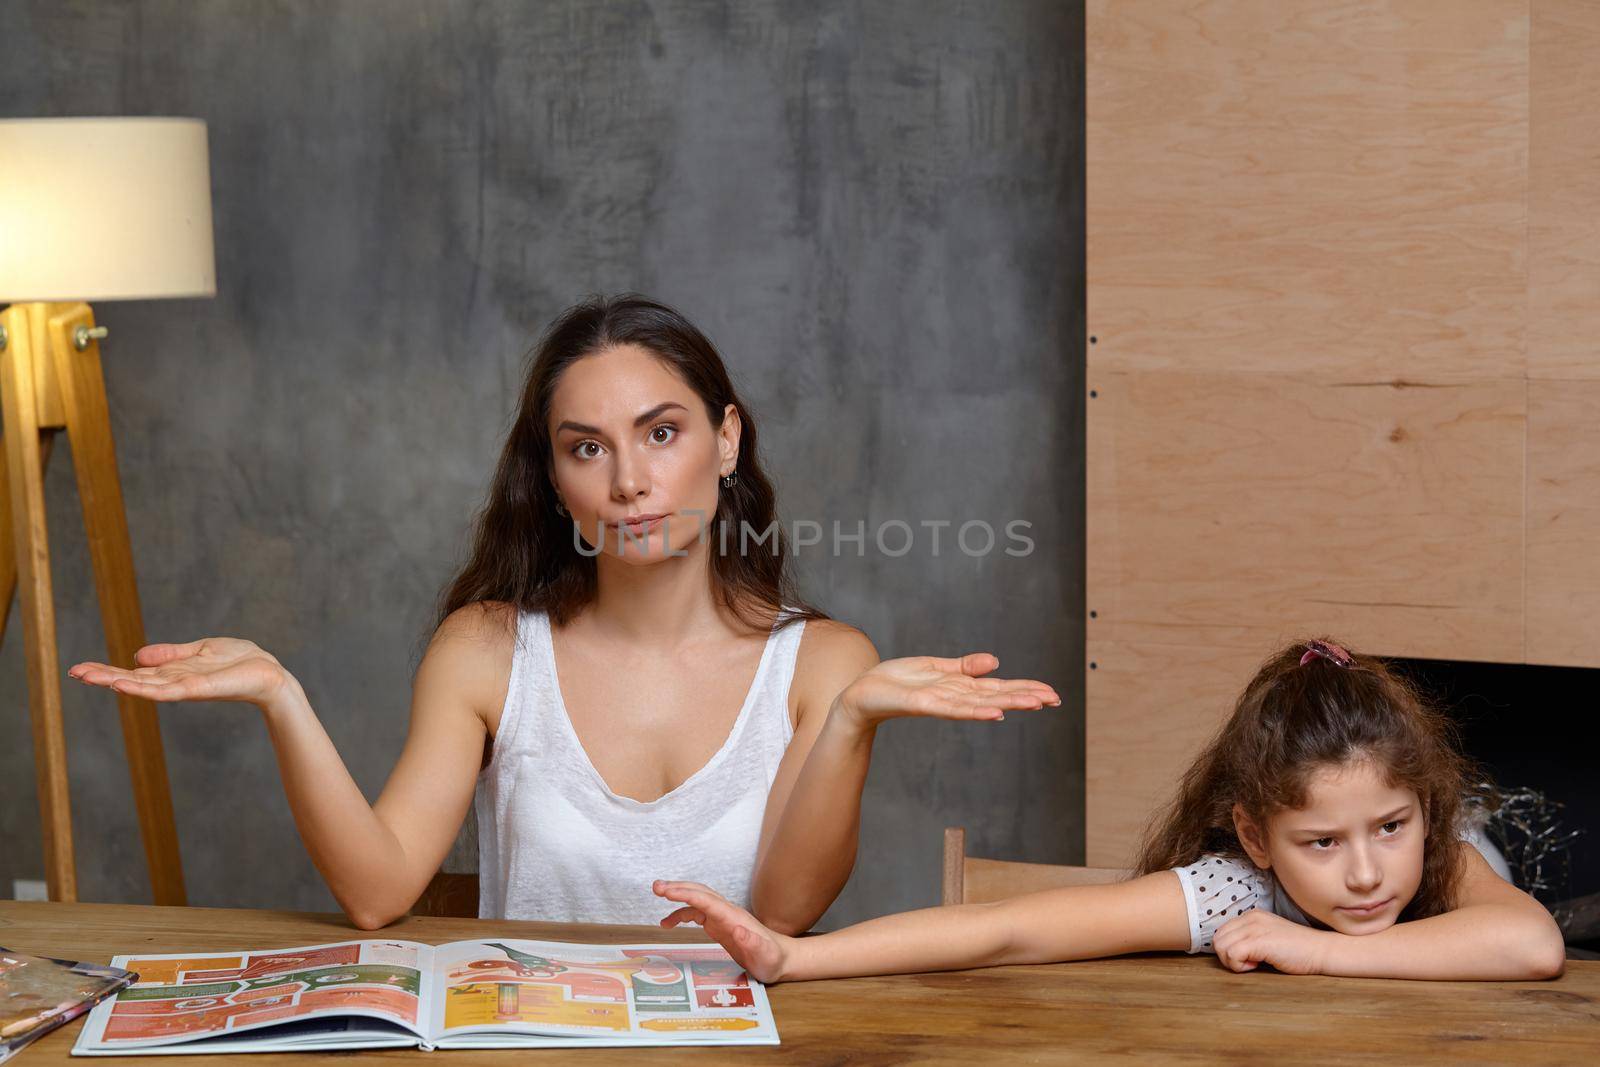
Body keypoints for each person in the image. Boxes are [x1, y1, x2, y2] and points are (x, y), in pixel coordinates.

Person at [67, 294, 1060, 931]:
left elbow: (785, 913)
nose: (630, 480)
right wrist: (280, 695)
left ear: (724, 438)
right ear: (553, 477)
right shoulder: (487, 648)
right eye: (586, 447)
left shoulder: (825, 661)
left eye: (660, 432)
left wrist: (849, 719)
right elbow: (377, 891)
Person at [651, 638, 1566, 982]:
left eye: (1388, 828)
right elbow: (1008, 931)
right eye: (1321, 842)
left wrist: (1317, 947)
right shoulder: (1232, 888)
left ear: (1421, 810)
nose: (1368, 872)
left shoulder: (1440, 850)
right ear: (1255, 835)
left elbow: (1532, 944)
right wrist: (795, 958)